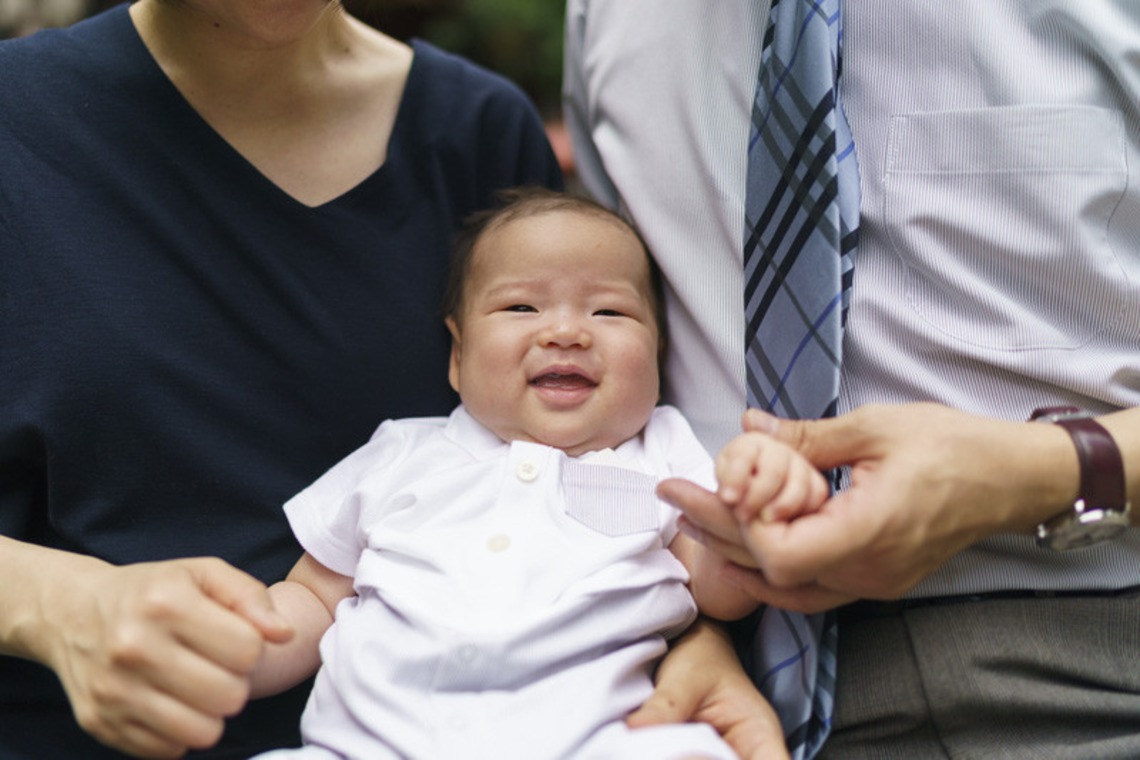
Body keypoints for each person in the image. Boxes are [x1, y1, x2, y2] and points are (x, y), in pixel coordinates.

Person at [564, 1, 1140, 758]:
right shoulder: (603, 16)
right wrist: (686, 628)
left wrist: (1033, 473)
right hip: (702, 695)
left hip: (1093, 659)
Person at [0, 0, 563, 757]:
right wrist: (57, 604)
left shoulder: (480, 133)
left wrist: (696, 643)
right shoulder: (17, 119)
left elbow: (599, 471)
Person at [242, 187, 826, 759]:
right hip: (372, 740)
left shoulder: (663, 452)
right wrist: (236, 649)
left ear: (658, 353)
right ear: (457, 351)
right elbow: (312, 598)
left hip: (599, 736)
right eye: (522, 307)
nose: (566, 331)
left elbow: (715, 591)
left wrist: (748, 519)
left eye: (610, 311)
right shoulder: (403, 450)